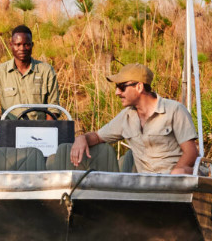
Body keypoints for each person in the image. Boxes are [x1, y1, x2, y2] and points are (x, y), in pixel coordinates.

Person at [70, 63, 199, 174]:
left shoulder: (174, 110)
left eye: (121, 87)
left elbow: (191, 153)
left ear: (139, 87)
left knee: (179, 173)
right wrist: (82, 138)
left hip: (177, 183)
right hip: (146, 187)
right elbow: (98, 137)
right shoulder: (126, 116)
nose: (117, 93)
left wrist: (174, 175)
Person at [0, 25, 59, 121]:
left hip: (39, 131)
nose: (22, 48)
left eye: (26, 44)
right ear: (11, 45)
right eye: (18, 44)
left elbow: (54, 107)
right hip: (10, 130)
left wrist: (44, 131)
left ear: (32, 45)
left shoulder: (46, 71)